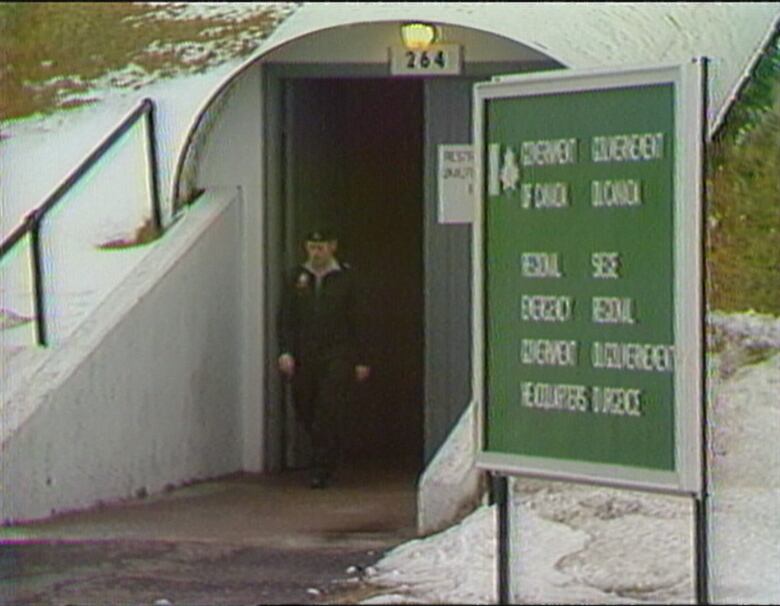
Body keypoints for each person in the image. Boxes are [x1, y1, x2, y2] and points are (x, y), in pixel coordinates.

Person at [277, 230, 371, 488]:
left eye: (320, 247)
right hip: (306, 353)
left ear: (332, 247)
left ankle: (322, 468)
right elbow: (286, 317)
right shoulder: (297, 277)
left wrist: (361, 359)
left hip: (338, 353)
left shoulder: (346, 278)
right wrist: (285, 351)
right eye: (311, 246)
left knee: (328, 409)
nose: (315, 252)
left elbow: (359, 319)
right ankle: (326, 452)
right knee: (304, 404)